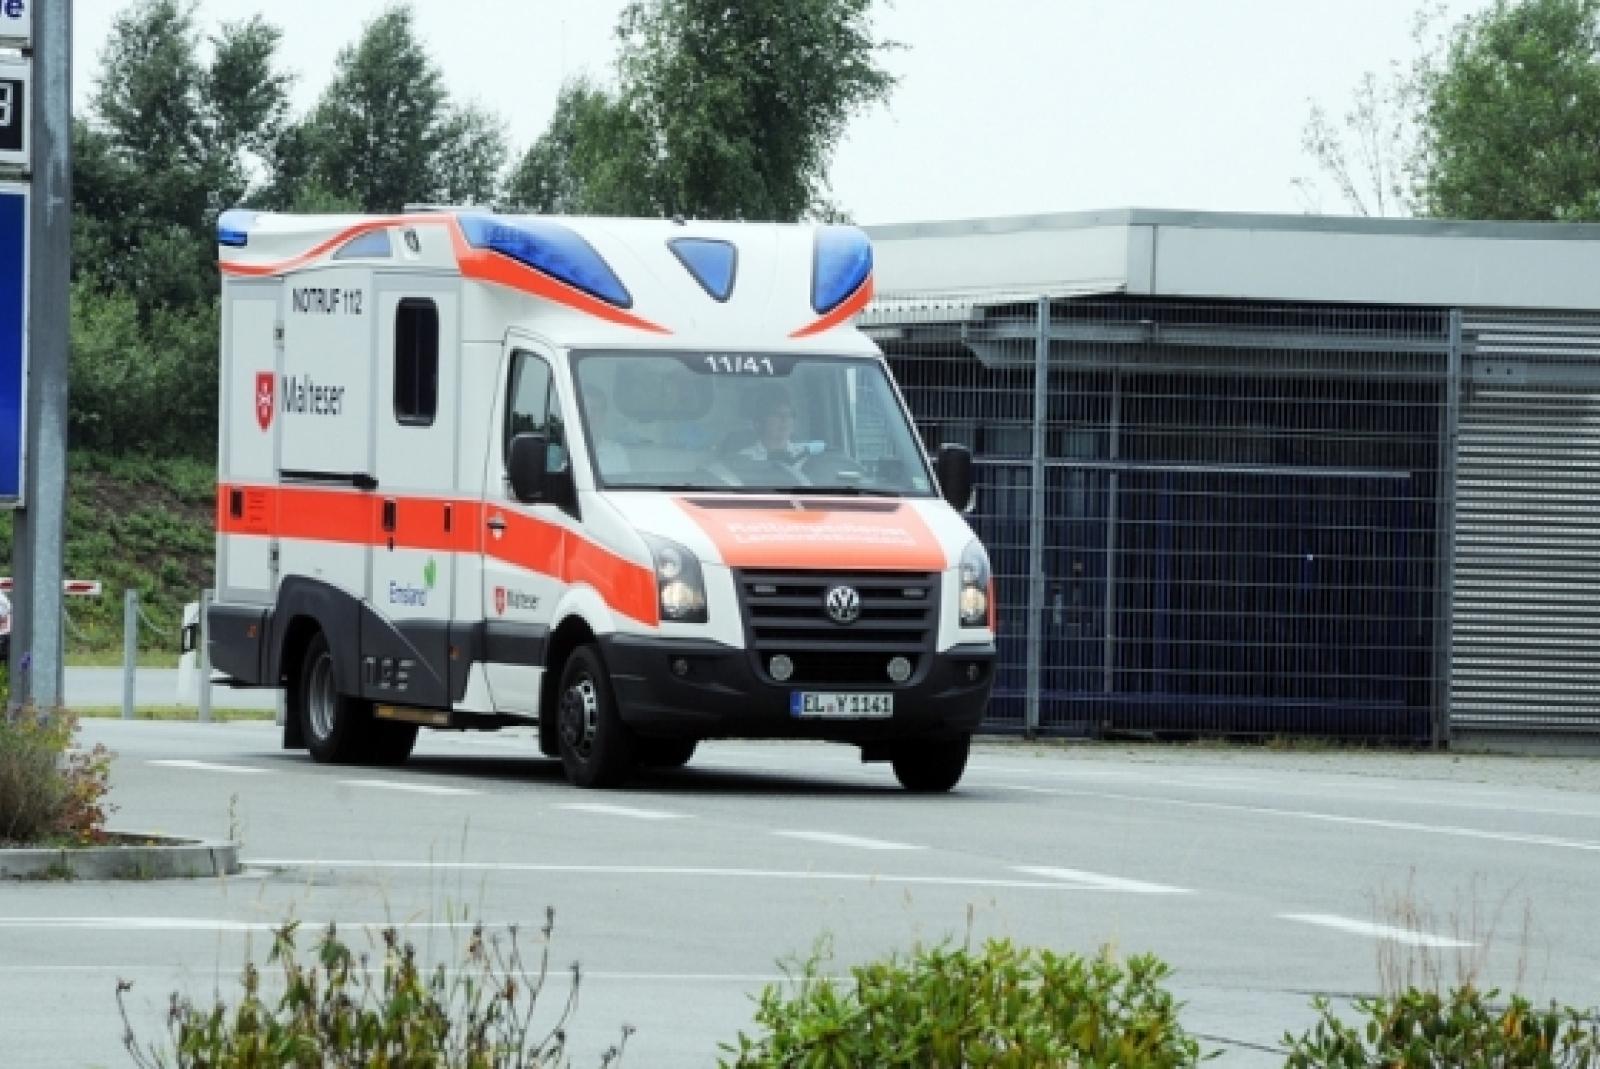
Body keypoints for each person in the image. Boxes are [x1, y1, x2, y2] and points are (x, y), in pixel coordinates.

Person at [586, 385, 630, 476]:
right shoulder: (566, 449)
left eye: (595, 410)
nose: (590, 415)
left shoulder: (616, 453)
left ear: (603, 416)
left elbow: (624, 482)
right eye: (586, 410)